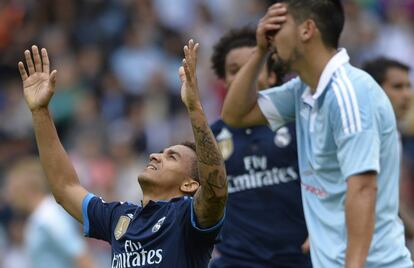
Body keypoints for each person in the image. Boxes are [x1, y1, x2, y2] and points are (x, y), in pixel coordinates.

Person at [220, 1, 413, 267]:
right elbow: (235, 115)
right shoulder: (303, 91)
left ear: (307, 29)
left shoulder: (349, 93)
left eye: (280, 25)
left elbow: (363, 189)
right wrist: (260, 52)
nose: (271, 34)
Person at [17, 40, 227, 268]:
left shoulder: (187, 218)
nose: (156, 156)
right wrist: (39, 111)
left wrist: (194, 108)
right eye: (161, 152)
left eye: (172, 157)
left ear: (189, 185)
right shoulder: (120, 217)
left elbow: (215, 191)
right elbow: (65, 188)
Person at [209, 27, 311, 267]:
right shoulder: (212, 136)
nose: (245, 75)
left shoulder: (299, 123)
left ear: (273, 76)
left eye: (254, 66)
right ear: (224, 81)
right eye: (235, 70)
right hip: (237, 260)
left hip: (299, 256)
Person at [5, 157, 96, 268]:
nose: (10, 197)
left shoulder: (48, 215)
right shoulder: (40, 216)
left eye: (14, 189)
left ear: (28, 189)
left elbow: (80, 254)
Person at [362, 57, 414, 241]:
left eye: (409, 86)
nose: (407, 94)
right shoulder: (366, 135)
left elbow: (388, 196)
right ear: (374, 89)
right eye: (398, 87)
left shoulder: (392, 133)